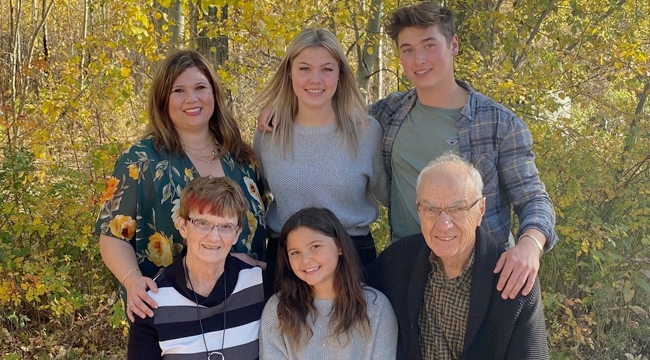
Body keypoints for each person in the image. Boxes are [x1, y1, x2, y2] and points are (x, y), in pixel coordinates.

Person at [259, 1, 557, 299]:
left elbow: (533, 198)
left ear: (453, 45)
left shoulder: (497, 123)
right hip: (407, 267)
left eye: (429, 45)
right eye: (408, 49)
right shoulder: (390, 114)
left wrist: (530, 245)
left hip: (477, 269)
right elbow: (326, 117)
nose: (419, 59)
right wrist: (283, 106)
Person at [95, 50, 267, 322]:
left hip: (247, 307)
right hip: (172, 311)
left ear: (214, 95)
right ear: (163, 99)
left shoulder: (242, 159)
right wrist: (132, 281)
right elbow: (112, 235)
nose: (192, 99)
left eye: (200, 87)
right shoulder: (140, 160)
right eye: (179, 90)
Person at [365, 153, 549, 360]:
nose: (444, 224)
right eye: (430, 209)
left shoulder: (513, 280)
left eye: (458, 208)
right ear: (418, 210)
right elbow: (349, 294)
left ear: (480, 210)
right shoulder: (397, 262)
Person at [253, 27, 387, 266]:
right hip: (287, 259)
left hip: (352, 257)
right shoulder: (269, 134)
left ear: (340, 74)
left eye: (327, 69)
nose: (316, 79)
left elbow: (392, 196)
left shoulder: (366, 132)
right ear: (290, 73)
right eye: (304, 69)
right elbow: (254, 199)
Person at [127, 176, 268, 359]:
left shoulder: (259, 283)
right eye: (203, 224)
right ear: (183, 226)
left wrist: (262, 264)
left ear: (236, 234)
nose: (214, 237)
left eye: (225, 226)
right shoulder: (151, 301)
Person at [260, 207, 397, 359]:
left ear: (339, 246)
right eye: (295, 252)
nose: (305, 260)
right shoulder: (278, 309)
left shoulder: (376, 307)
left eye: (315, 247)